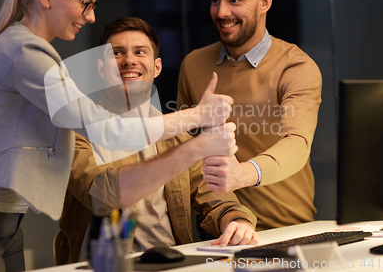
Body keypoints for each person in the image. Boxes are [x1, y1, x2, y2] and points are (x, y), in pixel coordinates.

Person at [0, 0, 234, 271]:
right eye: (85, 4)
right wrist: (197, 118)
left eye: (140, 53)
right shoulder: (24, 54)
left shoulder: (33, 52)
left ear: (157, 66)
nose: (91, 16)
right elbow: (108, 133)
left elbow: (209, 192)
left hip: (2, 220)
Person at [55, 17, 258, 265]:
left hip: (172, 262)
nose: (129, 60)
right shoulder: (76, 131)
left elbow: (213, 196)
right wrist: (198, 140)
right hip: (103, 266)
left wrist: (237, 221)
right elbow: (103, 196)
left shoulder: (176, 135)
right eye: (116, 53)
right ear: (100, 69)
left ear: (157, 67)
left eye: (140, 52)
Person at [177, 0, 322, 232]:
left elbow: (297, 143)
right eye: (215, 0)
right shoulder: (193, 65)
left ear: (264, 2)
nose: (221, 13)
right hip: (218, 231)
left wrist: (241, 174)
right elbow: (186, 154)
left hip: (287, 228)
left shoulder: (295, 66)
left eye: (234, 0)